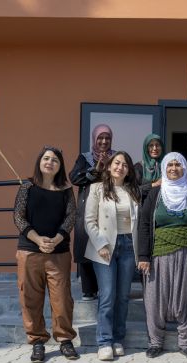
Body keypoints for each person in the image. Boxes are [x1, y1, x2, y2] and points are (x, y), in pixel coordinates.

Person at [137, 152, 187, 360]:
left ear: (184, 168)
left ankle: (186, 343)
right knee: (156, 300)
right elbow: (144, 225)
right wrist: (143, 256)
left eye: (177, 165)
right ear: (164, 168)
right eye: (169, 165)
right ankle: (155, 342)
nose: (173, 168)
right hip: (159, 256)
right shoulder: (155, 194)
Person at [13, 146, 79, 363]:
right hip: (30, 251)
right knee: (30, 298)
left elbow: (70, 218)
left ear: (60, 166)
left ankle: (65, 340)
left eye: (55, 160)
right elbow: (18, 217)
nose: (50, 162)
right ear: (40, 162)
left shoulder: (66, 190)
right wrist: (38, 239)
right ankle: (37, 341)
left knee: (62, 299)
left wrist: (56, 239)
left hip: (58, 252)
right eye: (46, 158)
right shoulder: (27, 187)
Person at [84, 151, 140, 361]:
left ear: (129, 170)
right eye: (117, 163)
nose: (120, 167)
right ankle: (104, 341)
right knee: (107, 295)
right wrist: (100, 244)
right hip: (106, 246)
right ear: (108, 166)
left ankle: (117, 338)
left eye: (125, 165)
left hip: (128, 246)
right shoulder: (97, 189)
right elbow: (89, 221)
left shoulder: (132, 190)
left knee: (123, 296)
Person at [69, 124, 113, 301]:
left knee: (107, 245)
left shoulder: (116, 157)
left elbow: (125, 176)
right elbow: (74, 178)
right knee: (86, 244)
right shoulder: (85, 158)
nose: (104, 141)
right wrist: (96, 170)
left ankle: (106, 288)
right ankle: (89, 290)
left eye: (107, 138)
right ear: (95, 139)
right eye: (100, 138)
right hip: (88, 208)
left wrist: (109, 166)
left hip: (109, 209)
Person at [134, 134, 165, 203]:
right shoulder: (139, 167)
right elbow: (133, 190)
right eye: (151, 145)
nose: (155, 148)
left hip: (163, 205)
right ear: (146, 148)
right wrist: (154, 185)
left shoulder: (168, 166)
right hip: (144, 205)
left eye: (157, 145)